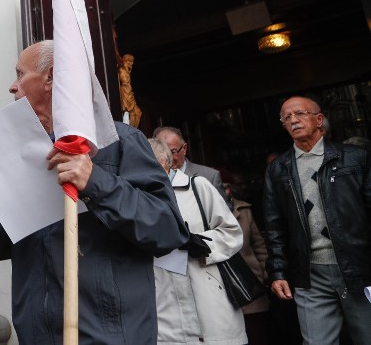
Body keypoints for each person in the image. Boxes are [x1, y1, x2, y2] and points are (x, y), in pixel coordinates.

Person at [0, 41, 189, 344]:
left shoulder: (120, 141)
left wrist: (95, 182)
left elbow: (167, 230)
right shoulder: (11, 153)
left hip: (110, 337)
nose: (12, 87)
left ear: (50, 77)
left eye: (20, 74)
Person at [263, 96, 371, 344]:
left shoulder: (354, 158)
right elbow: (274, 225)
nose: (293, 120)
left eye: (299, 114)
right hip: (310, 274)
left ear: (319, 119)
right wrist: (278, 271)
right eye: (286, 117)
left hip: (358, 269)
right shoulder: (278, 169)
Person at [148, 138, 247, 344]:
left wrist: (198, 242)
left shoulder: (197, 187)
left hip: (208, 292)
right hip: (164, 304)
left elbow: (232, 232)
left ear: (167, 163)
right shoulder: (137, 198)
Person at [223, 177, 270, 345]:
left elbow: (259, 246)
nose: (224, 190)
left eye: (226, 187)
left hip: (252, 285)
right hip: (224, 290)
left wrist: (266, 275)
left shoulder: (243, 209)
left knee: (257, 334)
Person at [153, 126, 228, 201]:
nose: (167, 158)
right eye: (162, 153)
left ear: (184, 148)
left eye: (172, 152)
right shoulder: (151, 179)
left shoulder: (210, 177)